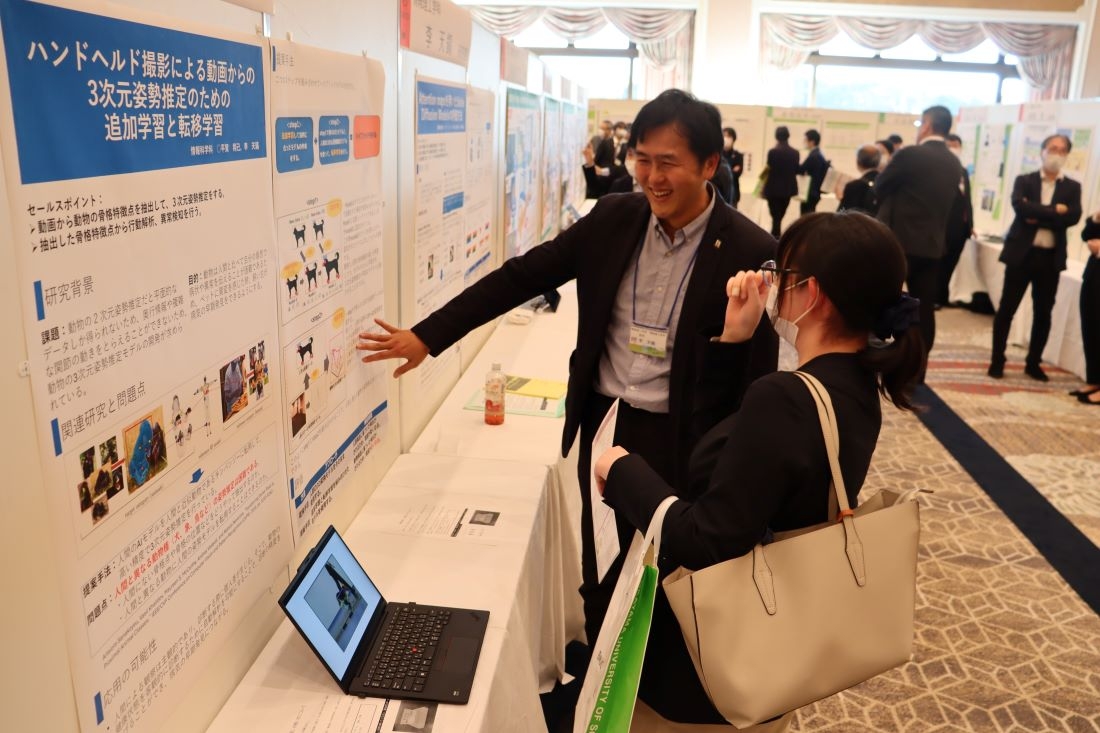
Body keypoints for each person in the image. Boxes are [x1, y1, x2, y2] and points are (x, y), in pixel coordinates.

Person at [357, 89, 778, 644]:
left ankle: (656, 675)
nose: (652, 177)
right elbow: (522, 276)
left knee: (671, 571)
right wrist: (428, 336)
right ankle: (597, 665)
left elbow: (759, 379)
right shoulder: (613, 218)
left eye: (668, 163)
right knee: (599, 560)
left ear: (708, 165)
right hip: (605, 423)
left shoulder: (750, 249)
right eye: (642, 159)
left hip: (682, 437)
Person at [594, 211, 925, 731]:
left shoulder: (787, 397)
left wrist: (622, 472)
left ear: (812, 294)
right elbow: (724, 462)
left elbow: (705, 539)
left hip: (713, 657)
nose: (772, 285)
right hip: (777, 635)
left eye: (782, 274)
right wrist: (734, 340)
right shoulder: (855, 384)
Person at [875, 105, 964, 375]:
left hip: (899, 244)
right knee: (924, 309)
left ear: (926, 126)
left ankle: (881, 361)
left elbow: (880, 186)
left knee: (883, 301)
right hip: (933, 247)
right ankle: (918, 369)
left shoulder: (910, 154)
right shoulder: (954, 162)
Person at [989, 133, 1082, 381]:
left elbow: (1073, 216)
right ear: (1042, 150)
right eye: (1052, 148)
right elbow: (1020, 207)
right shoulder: (1025, 180)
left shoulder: (1072, 187)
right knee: (1006, 309)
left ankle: (1033, 362)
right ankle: (997, 360)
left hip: (1050, 259)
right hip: (1022, 255)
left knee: (1043, 313)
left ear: (1067, 155)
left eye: (1062, 150)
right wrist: (1055, 212)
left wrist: (1038, 213)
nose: (1056, 153)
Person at [937, 133, 974, 307]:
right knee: (939, 263)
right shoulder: (939, 171)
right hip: (944, 226)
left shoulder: (964, 171)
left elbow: (967, 200)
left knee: (951, 263)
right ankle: (934, 298)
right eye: (949, 145)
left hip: (961, 228)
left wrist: (971, 224)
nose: (953, 148)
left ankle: (943, 297)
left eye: (956, 145)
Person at [1075, 211, 1100, 404]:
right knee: (1090, 329)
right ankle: (1094, 380)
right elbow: (1086, 235)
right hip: (1093, 274)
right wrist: (1096, 220)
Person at [762, 126, 799, 238]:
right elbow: (796, 170)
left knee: (775, 216)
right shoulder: (795, 153)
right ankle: (776, 235)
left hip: (773, 189)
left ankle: (775, 236)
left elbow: (768, 169)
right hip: (788, 189)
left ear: (776, 136)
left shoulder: (773, 152)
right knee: (779, 215)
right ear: (788, 136)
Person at [838, 144, 880, 215]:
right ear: (878, 162)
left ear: (858, 161)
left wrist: (841, 198)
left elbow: (842, 214)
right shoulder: (884, 182)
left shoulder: (854, 186)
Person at [797, 128, 829, 215]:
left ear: (812, 141)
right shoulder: (818, 154)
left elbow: (801, 170)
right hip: (815, 192)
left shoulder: (814, 156)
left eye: (806, 140)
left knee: (806, 217)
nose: (804, 142)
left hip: (810, 192)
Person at [722, 127, 744, 207]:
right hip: (719, 193)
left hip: (733, 194)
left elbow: (738, 173)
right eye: (724, 136)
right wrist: (731, 170)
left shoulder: (738, 156)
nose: (726, 138)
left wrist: (723, 171)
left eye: (728, 136)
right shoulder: (717, 155)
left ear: (733, 139)